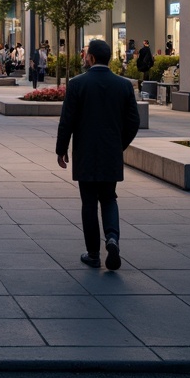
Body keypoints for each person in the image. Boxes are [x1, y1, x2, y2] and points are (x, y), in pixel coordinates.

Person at [55, 38, 140, 271]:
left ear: (90, 58)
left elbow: (67, 121)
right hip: (110, 153)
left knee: (89, 203)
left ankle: (93, 254)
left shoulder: (77, 84)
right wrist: (118, 144)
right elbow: (134, 121)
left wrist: (61, 149)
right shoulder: (123, 85)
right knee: (109, 197)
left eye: (85, 55)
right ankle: (112, 238)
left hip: (85, 154)